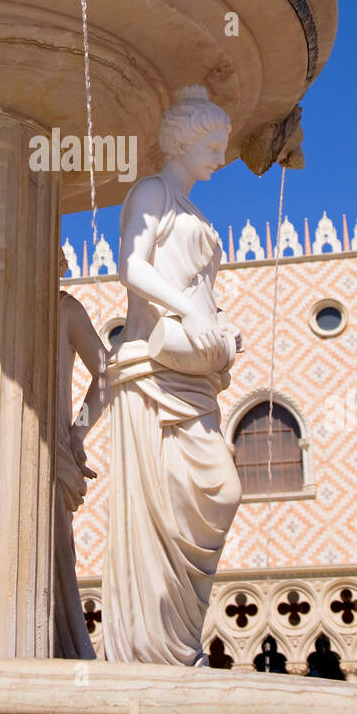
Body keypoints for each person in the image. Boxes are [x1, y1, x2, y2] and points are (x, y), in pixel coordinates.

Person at [102, 85, 241, 666]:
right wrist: (185, 311)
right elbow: (129, 264)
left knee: (221, 493)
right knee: (166, 504)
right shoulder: (152, 191)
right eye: (213, 143)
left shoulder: (195, 211)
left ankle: (179, 640)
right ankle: (148, 647)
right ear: (184, 140)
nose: (221, 155)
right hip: (154, 370)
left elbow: (202, 289)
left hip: (193, 372)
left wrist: (223, 329)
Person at [54, 245, 108, 658]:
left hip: (50, 458)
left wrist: (76, 433)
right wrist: (76, 434)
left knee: (54, 565)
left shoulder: (65, 310)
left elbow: (106, 373)